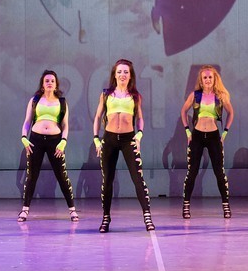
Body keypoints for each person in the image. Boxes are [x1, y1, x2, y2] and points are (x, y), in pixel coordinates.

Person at [92, 59, 154, 232]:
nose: (122, 75)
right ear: (114, 74)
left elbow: (140, 118)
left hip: (128, 140)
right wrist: (96, 139)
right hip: (109, 139)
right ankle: (106, 218)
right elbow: (98, 117)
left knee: (137, 178)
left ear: (130, 75)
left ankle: (147, 216)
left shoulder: (135, 96)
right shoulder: (106, 94)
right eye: (119, 72)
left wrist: (139, 135)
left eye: (126, 72)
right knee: (108, 180)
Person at [17, 70, 78, 223]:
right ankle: (25, 209)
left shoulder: (62, 102)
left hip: (55, 141)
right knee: (32, 175)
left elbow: (65, 125)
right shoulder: (35, 100)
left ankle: (72, 210)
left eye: (52, 81)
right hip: (35, 140)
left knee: (61, 175)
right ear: (42, 84)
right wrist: (24, 137)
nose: (49, 83)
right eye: (47, 81)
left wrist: (63, 141)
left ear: (56, 84)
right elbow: (27, 121)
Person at [179, 65, 235, 219]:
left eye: (210, 77)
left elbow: (231, 113)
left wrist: (225, 132)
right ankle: (186, 205)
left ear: (215, 79)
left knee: (219, 172)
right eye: (205, 77)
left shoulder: (220, 96)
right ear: (201, 80)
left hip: (213, 136)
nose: (208, 80)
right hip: (197, 135)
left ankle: (226, 205)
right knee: (192, 171)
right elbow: (183, 111)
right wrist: (187, 131)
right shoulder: (195, 95)